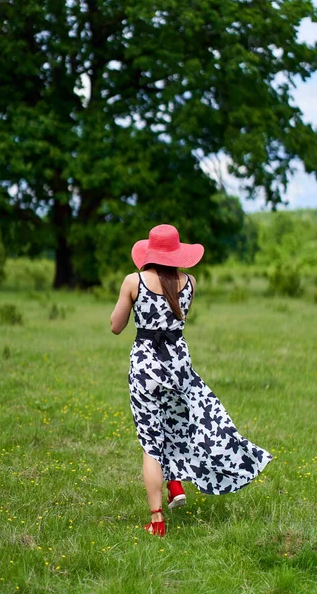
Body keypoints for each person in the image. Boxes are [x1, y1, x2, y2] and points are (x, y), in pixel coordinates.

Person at [110, 224, 273, 537]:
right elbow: (176, 319)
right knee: (181, 426)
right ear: (177, 253)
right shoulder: (190, 283)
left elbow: (116, 326)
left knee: (150, 442)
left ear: (149, 252)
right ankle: (175, 484)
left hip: (146, 369)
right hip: (178, 365)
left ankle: (157, 522)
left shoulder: (134, 281)